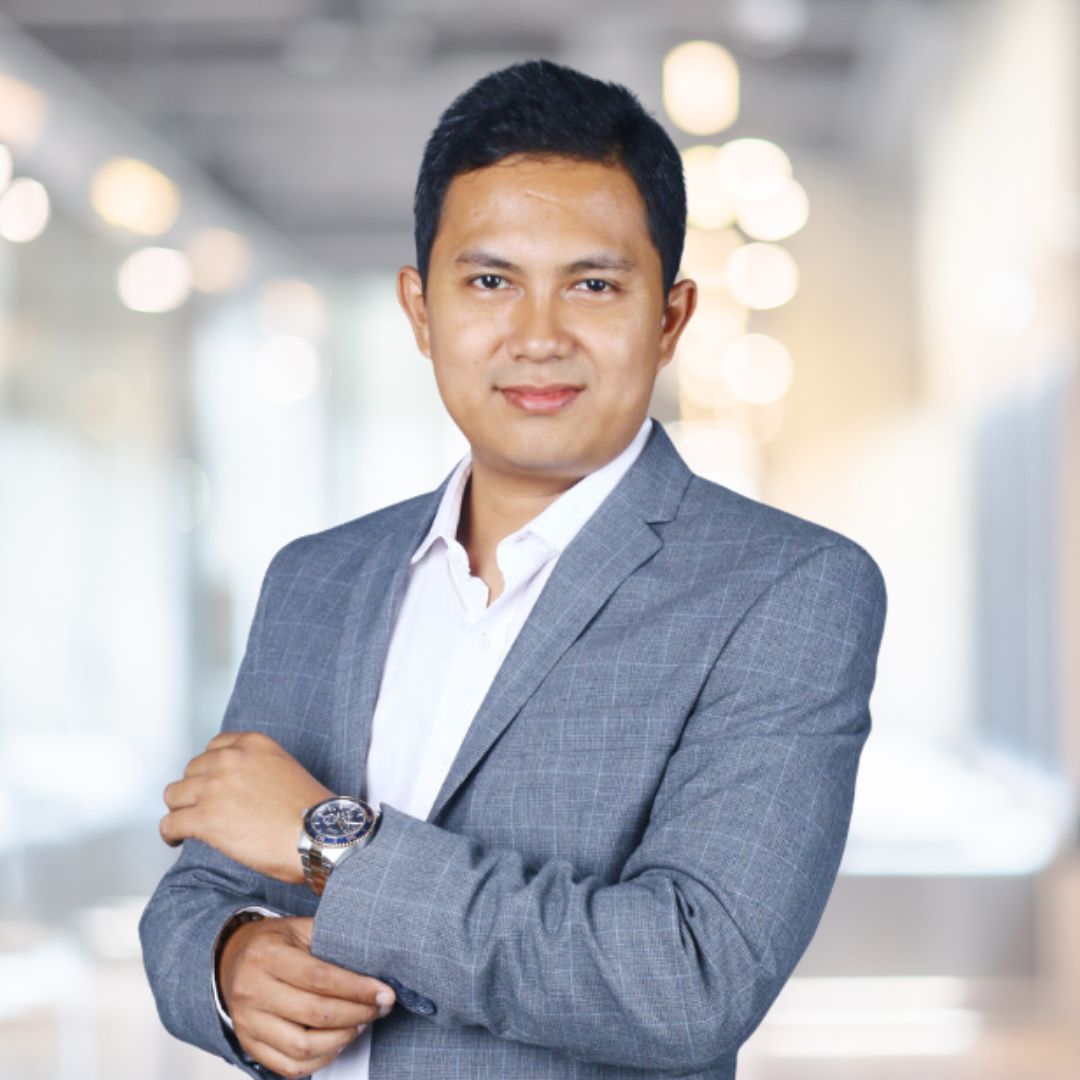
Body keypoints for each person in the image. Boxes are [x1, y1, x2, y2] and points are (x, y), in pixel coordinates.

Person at [140, 58, 887, 1080]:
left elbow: (691, 979)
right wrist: (228, 969)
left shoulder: (788, 590)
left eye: (592, 284)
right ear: (420, 310)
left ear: (670, 318)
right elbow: (198, 893)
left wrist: (330, 841)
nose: (538, 338)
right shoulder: (315, 578)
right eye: (490, 282)